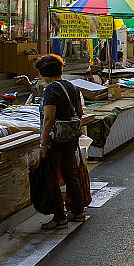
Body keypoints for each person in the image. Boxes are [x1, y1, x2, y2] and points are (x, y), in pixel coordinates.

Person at [35, 55, 85, 230]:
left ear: (45, 73)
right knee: (70, 174)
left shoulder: (51, 90)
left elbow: (48, 118)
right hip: (70, 137)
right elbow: (79, 112)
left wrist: (43, 144)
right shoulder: (72, 86)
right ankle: (78, 211)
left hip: (55, 140)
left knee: (52, 178)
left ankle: (59, 218)